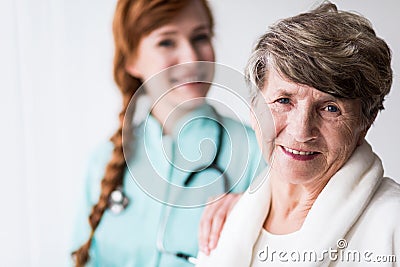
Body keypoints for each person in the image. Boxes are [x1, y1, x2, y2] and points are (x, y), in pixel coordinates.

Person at [196, 2, 400, 266]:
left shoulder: (392, 224)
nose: (301, 131)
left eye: (330, 108)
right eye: (283, 101)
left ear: (366, 121)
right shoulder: (227, 222)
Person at [70, 0, 264, 266]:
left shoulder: (259, 154)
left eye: (200, 37)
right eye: (166, 42)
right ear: (131, 60)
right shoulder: (102, 163)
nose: (191, 58)